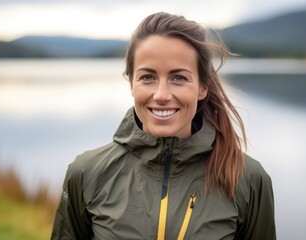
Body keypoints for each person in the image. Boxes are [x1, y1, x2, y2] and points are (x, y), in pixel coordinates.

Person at [51, 12, 276, 240]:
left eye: (179, 78)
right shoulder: (86, 173)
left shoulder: (248, 179)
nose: (161, 95)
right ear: (131, 83)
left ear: (202, 87)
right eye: (147, 77)